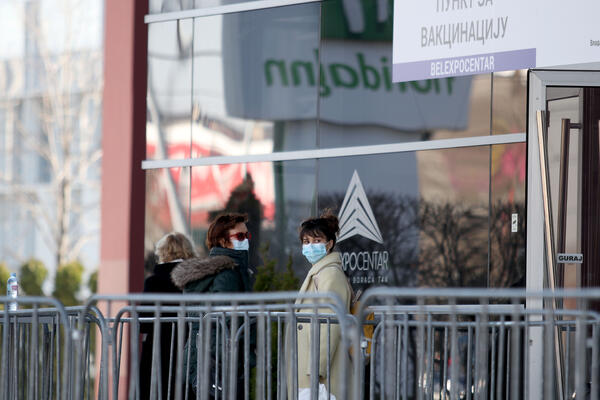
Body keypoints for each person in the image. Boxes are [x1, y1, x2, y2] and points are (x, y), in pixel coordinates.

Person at [171, 212, 254, 399]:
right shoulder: (228, 273)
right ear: (223, 241)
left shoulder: (214, 270)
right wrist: (246, 357)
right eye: (240, 236)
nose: (246, 240)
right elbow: (226, 320)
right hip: (218, 363)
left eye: (247, 235)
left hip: (202, 360)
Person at [288, 212, 353, 400]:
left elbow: (328, 326)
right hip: (313, 372)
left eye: (317, 240)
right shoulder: (319, 272)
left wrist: (317, 368)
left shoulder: (329, 275)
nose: (310, 246)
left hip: (320, 375)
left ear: (329, 244)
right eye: (306, 241)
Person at [140, 232, 196, 400]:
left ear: (163, 252)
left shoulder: (154, 282)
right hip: (190, 347)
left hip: (157, 350)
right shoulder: (196, 280)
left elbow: (144, 323)